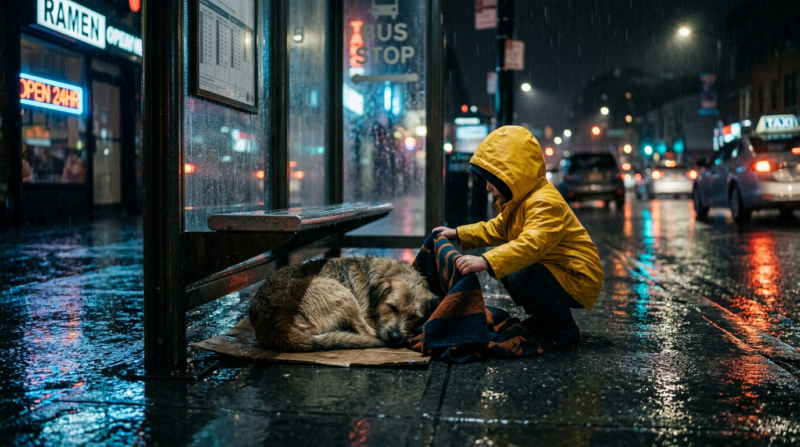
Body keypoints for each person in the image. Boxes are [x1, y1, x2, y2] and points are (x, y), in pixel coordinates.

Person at [433, 126, 604, 349]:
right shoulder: (521, 201)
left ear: (511, 176)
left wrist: (485, 261)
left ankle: (564, 327)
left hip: (578, 274)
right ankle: (543, 320)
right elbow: (496, 229)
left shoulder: (544, 202)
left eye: (491, 180)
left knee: (520, 272)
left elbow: (530, 245)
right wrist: (457, 233)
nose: (488, 187)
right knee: (511, 268)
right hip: (557, 268)